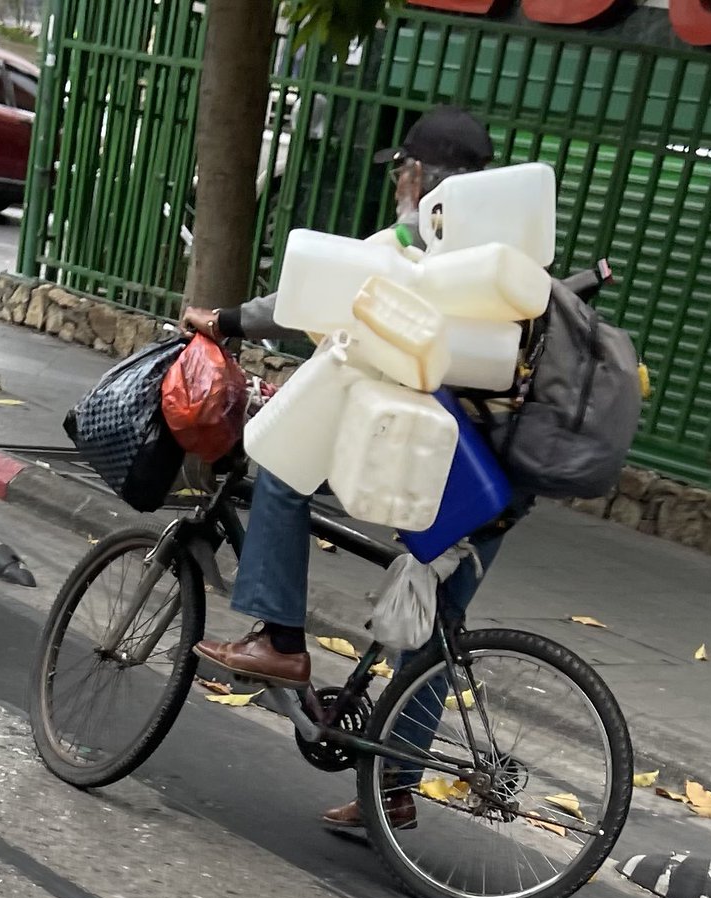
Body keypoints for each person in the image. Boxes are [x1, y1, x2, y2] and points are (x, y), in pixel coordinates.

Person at [182, 106, 535, 831]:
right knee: (433, 624)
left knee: (281, 469)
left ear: (423, 177)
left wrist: (226, 320)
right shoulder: (515, 256)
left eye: (404, 168)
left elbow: (316, 298)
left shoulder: (416, 242)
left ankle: (278, 640)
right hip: (508, 475)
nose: (400, 181)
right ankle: (392, 794)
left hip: (448, 465)